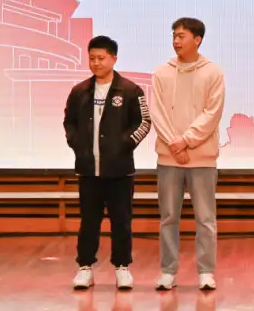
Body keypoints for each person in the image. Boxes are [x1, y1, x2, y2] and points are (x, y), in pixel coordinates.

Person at [63, 36, 152, 291]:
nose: (96, 63)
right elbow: (69, 123)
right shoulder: (79, 91)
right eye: (92, 58)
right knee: (88, 222)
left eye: (101, 58)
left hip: (119, 171)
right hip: (88, 171)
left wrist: (124, 145)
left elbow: (144, 122)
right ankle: (85, 268)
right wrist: (77, 145)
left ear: (114, 58)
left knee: (121, 221)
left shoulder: (131, 90)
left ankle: (122, 267)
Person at [151, 18, 225, 292]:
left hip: (202, 158)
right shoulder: (161, 72)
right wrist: (175, 144)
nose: (176, 41)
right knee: (169, 217)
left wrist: (186, 141)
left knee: (205, 219)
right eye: (174, 35)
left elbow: (212, 113)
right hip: (169, 158)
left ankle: (206, 272)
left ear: (198, 39)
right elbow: (157, 112)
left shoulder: (213, 72)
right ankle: (168, 271)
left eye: (181, 36)